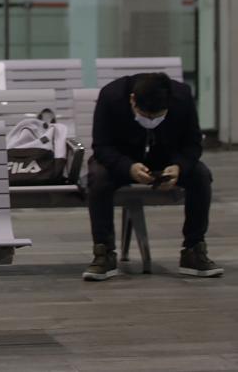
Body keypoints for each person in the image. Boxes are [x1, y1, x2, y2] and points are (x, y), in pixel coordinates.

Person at [83, 72, 221, 280]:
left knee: (200, 175)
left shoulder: (182, 97)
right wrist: (127, 167)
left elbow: (193, 144)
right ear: (132, 100)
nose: (151, 121)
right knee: (98, 178)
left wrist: (179, 167)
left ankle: (194, 250)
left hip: (165, 159)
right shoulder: (111, 96)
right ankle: (104, 252)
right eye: (146, 115)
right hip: (121, 159)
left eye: (158, 116)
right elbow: (101, 146)